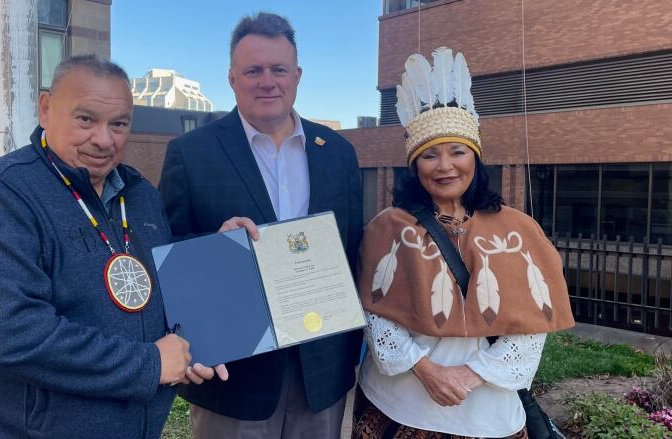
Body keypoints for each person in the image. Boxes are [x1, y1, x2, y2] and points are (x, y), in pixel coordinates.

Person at [0, 55, 219, 439]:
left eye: (119, 124)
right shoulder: (3, 193)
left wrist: (222, 248)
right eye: (85, 119)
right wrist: (150, 363)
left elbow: (159, 282)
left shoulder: (139, 194)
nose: (104, 140)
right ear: (46, 109)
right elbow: (11, 332)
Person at [159, 11, 363, 439]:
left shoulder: (339, 153)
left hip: (320, 371)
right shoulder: (191, 154)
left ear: (297, 75)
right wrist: (214, 246)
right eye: (253, 70)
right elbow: (167, 250)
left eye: (278, 69)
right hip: (234, 372)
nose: (266, 81)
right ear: (233, 78)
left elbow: (353, 249)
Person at [353, 48, 575, 438]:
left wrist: (467, 377)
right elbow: (375, 313)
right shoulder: (388, 227)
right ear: (413, 165)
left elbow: (529, 325)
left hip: (488, 413)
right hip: (397, 404)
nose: (445, 166)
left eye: (457, 151)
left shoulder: (517, 229)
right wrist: (427, 371)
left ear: (475, 158)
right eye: (429, 155)